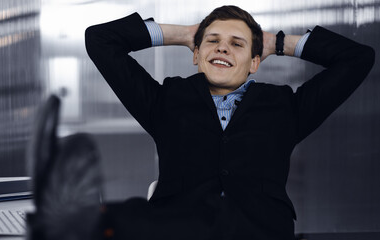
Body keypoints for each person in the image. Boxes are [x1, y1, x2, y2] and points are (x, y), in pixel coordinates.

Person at [28, 5, 375, 240]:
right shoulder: (166, 100)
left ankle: (79, 220)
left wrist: (277, 43)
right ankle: (73, 217)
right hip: (176, 226)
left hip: (256, 229)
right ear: (196, 55)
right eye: (213, 42)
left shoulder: (286, 106)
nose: (223, 49)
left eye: (236, 45)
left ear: (256, 61)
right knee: (139, 217)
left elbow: (358, 59)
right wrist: (184, 34)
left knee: (127, 220)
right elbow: (100, 41)